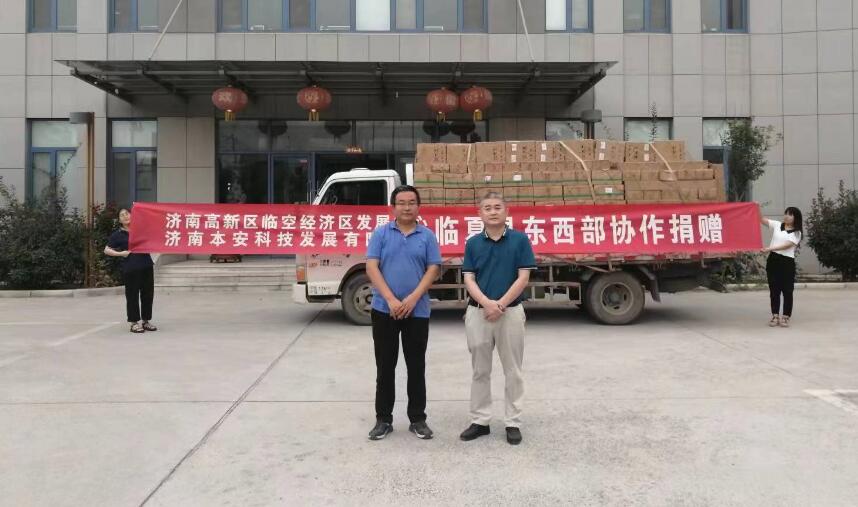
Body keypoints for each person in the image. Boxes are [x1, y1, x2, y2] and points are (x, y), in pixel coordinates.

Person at [365, 185, 442, 441]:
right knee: (385, 366)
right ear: (393, 207)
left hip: (417, 310)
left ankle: (418, 419)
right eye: (401, 202)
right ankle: (383, 420)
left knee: (416, 366)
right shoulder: (381, 233)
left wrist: (412, 299)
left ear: (418, 206)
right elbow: (372, 267)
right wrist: (390, 299)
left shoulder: (427, 236)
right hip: (383, 309)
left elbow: (433, 269)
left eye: (411, 202)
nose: (406, 207)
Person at [459, 192, 536, 446]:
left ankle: (513, 422)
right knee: (480, 370)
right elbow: (469, 278)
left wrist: (500, 305)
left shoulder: (520, 240)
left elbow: (523, 277)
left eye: (497, 207)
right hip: (478, 313)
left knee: (513, 370)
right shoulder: (473, 243)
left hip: (510, 312)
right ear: (479, 213)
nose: (493, 212)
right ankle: (480, 421)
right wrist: (486, 303)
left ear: (506, 211)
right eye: (487, 208)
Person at [104, 208, 157, 334]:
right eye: (122, 215)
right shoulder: (118, 235)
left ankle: (146, 321)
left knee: (148, 295)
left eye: (127, 213)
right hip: (131, 268)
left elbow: (154, 236)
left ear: (132, 215)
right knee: (132, 295)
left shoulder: (141, 230)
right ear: (119, 220)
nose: (125, 216)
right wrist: (121, 253)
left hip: (146, 266)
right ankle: (134, 323)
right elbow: (106, 250)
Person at [760, 206, 803, 328]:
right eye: (786, 213)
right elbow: (761, 219)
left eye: (790, 214)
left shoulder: (797, 232)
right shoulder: (777, 225)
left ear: (795, 217)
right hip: (773, 260)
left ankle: (785, 316)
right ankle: (775, 316)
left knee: (787, 291)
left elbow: (787, 245)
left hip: (787, 262)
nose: (787, 216)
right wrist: (756, 207)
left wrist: (769, 248)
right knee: (774, 290)